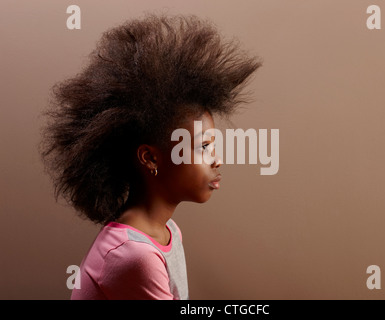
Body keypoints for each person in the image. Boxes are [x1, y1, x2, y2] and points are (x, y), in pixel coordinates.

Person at [39, 13, 261, 299]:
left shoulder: (167, 232)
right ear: (151, 159)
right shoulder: (135, 255)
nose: (218, 160)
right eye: (203, 147)